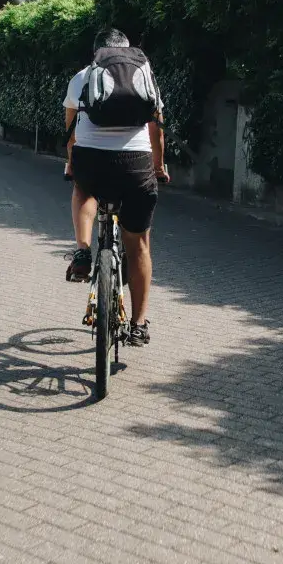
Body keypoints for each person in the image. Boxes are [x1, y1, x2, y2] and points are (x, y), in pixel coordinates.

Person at [63, 29, 169, 347]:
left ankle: (83, 250)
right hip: (136, 165)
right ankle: (138, 324)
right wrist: (158, 168)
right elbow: (157, 133)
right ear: (128, 51)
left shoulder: (82, 76)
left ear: (97, 52)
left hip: (92, 161)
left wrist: (72, 163)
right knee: (139, 246)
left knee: (83, 189)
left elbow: (71, 131)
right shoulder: (144, 75)